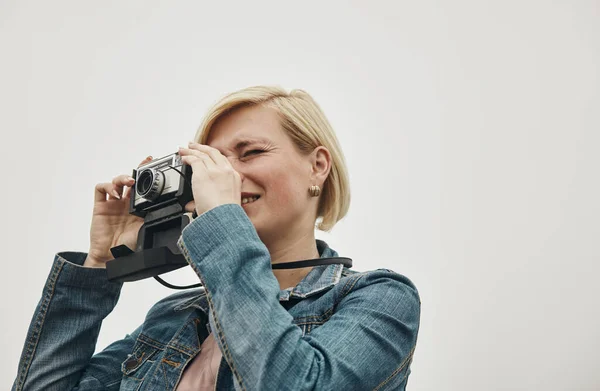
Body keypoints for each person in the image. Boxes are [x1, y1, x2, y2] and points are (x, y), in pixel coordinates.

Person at [12, 86, 421, 390]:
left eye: (251, 152)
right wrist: (100, 262)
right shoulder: (175, 314)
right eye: (213, 162)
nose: (225, 176)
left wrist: (222, 222)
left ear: (317, 167)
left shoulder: (380, 298)